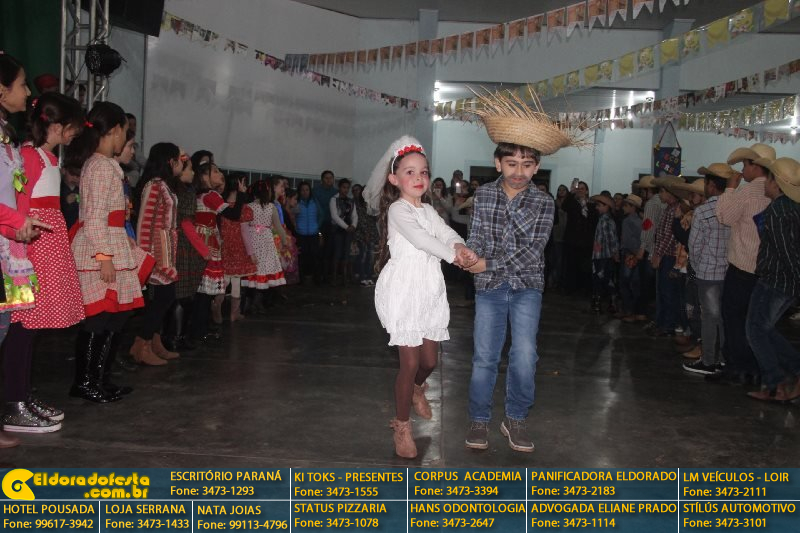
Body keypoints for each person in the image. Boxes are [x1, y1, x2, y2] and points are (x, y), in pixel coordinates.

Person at [463, 89, 580, 453]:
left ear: (537, 167)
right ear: (497, 163)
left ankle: (515, 417)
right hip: (489, 287)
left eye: (527, 165)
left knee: (525, 355)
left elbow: (533, 252)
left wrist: (487, 262)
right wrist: (469, 255)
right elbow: (477, 236)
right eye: (511, 164)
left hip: (527, 286)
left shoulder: (544, 202)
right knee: (485, 356)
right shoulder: (484, 196)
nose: (519, 172)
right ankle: (479, 419)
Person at [363, 136, 476, 459]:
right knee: (410, 363)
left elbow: (444, 232)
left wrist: (459, 245)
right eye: (409, 172)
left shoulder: (428, 209)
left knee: (429, 362)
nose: (418, 178)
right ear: (394, 179)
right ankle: (401, 426)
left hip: (428, 288)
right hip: (403, 289)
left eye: (423, 172)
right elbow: (421, 239)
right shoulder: (398, 210)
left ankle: (416, 388)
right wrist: (453, 257)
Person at [2, 93, 86, 433]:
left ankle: (22, 394)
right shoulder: (29, 156)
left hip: (45, 245)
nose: (75, 132)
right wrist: (24, 252)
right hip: (31, 250)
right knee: (22, 327)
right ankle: (14, 400)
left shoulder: (48, 158)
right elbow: (20, 208)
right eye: (72, 126)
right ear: (55, 125)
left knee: (30, 330)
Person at [67, 101, 154, 403]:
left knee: (115, 315)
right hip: (100, 249)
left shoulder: (103, 165)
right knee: (99, 318)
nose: (126, 139)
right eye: (126, 133)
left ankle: (100, 379)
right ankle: (86, 381)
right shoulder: (101, 166)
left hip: (111, 243)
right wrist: (104, 257)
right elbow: (94, 216)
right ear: (115, 130)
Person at [0, 53, 56, 442]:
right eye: (21, 84)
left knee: (7, 329)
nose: (27, 92)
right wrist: (17, 222)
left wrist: (19, 227)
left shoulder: (6, 135)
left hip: (8, 247)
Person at [713, 143, 774, 386]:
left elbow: (724, 216)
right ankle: (755, 367)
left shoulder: (748, 192)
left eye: (744, 165)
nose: (742, 170)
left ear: (754, 166)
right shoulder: (775, 192)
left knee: (734, 318)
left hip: (743, 267)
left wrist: (729, 189)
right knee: (755, 322)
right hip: (764, 269)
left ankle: (738, 367)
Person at [745, 157, 800, 401]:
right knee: (762, 328)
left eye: (767, 179)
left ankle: (776, 381)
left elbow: (786, 251)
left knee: (755, 330)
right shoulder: (792, 207)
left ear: (775, 183)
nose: (764, 184)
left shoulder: (777, 211)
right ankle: (778, 379)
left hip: (777, 280)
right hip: (782, 279)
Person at [132, 143, 185, 365]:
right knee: (164, 297)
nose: (182, 163)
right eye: (179, 159)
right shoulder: (154, 185)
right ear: (170, 161)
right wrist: (145, 255)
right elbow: (145, 221)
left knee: (165, 298)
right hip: (155, 250)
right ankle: (141, 345)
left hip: (166, 249)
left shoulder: (164, 185)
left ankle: (154, 342)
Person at [682, 164, 732, 375]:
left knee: (709, 317)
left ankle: (709, 361)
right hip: (730, 271)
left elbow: (694, 245)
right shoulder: (733, 208)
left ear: (711, 185)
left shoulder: (703, 211)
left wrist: (697, 265)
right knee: (723, 317)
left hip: (708, 272)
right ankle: (724, 358)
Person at [191, 158, 245, 341]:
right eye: (214, 171)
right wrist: (241, 195)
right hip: (206, 242)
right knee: (204, 293)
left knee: (202, 292)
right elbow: (233, 214)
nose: (220, 174)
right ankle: (198, 331)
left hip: (203, 240)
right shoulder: (211, 195)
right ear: (203, 176)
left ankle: (199, 329)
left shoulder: (202, 195)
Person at [218, 173, 257, 321]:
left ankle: (217, 305)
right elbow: (245, 232)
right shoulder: (243, 208)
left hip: (223, 245)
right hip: (238, 247)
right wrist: (251, 253)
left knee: (226, 278)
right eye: (244, 183)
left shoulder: (221, 204)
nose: (246, 186)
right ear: (238, 184)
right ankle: (233, 313)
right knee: (235, 279)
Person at [649, 176, 684, 337]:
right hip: (666, 255)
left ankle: (668, 324)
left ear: (669, 193)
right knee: (664, 291)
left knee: (667, 291)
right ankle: (663, 322)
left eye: (661, 192)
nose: (659, 195)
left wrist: (658, 254)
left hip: (669, 256)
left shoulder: (673, 209)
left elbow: (669, 235)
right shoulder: (669, 208)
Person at [242, 179, 287, 302]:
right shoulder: (271, 207)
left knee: (254, 267)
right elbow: (278, 227)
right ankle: (260, 300)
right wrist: (284, 242)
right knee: (265, 267)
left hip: (253, 241)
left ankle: (250, 299)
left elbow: (244, 228)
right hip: (267, 241)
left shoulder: (248, 207)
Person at [590, 194, 618, 313]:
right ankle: (608, 302)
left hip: (603, 256)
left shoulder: (605, 221)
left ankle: (600, 303)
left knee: (601, 278)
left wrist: (614, 252)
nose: (597, 207)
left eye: (599, 205)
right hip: (602, 255)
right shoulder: (605, 220)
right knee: (604, 278)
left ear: (607, 207)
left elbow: (611, 239)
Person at [618, 194, 643, 320]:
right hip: (637, 254)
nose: (623, 208)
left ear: (632, 207)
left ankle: (628, 310)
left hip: (629, 254)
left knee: (625, 282)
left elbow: (627, 240)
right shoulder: (640, 221)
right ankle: (634, 310)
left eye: (626, 205)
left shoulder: (627, 221)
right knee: (634, 283)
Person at [329, 178, 357, 285]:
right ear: (339, 187)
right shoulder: (333, 199)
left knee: (346, 253)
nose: (346, 190)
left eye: (347, 188)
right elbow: (334, 216)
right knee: (337, 253)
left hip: (349, 229)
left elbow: (355, 215)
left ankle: (344, 277)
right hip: (337, 229)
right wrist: (346, 227)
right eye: (344, 187)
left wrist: (353, 225)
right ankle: (334, 277)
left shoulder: (351, 201)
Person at [295, 181, 322, 284]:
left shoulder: (315, 201)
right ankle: (301, 279)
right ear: (299, 191)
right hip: (300, 234)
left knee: (315, 256)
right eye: (302, 190)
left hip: (314, 234)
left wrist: (317, 226)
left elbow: (322, 214)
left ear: (310, 191)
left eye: (307, 190)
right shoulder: (296, 202)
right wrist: (296, 227)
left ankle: (316, 279)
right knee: (302, 257)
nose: (305, 192)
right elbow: (292, 216)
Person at [313, 170, 337, 282]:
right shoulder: (316, 191)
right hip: (318, 225)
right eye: (326, 178)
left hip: (332, 225)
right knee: (318, 250)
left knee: (330, 251)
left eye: (331, 178)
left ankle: (327, 276)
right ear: (322, 179)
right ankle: (317, 276)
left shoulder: (336, 192)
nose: (329, 180)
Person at [60, 162, 81, 229]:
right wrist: (65, 202)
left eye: (78, 176)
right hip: (64, 225)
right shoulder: (59, 188)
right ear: (63, 171)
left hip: (78, 225)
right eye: (72, 174)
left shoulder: (81, 189)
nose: (75, 178)